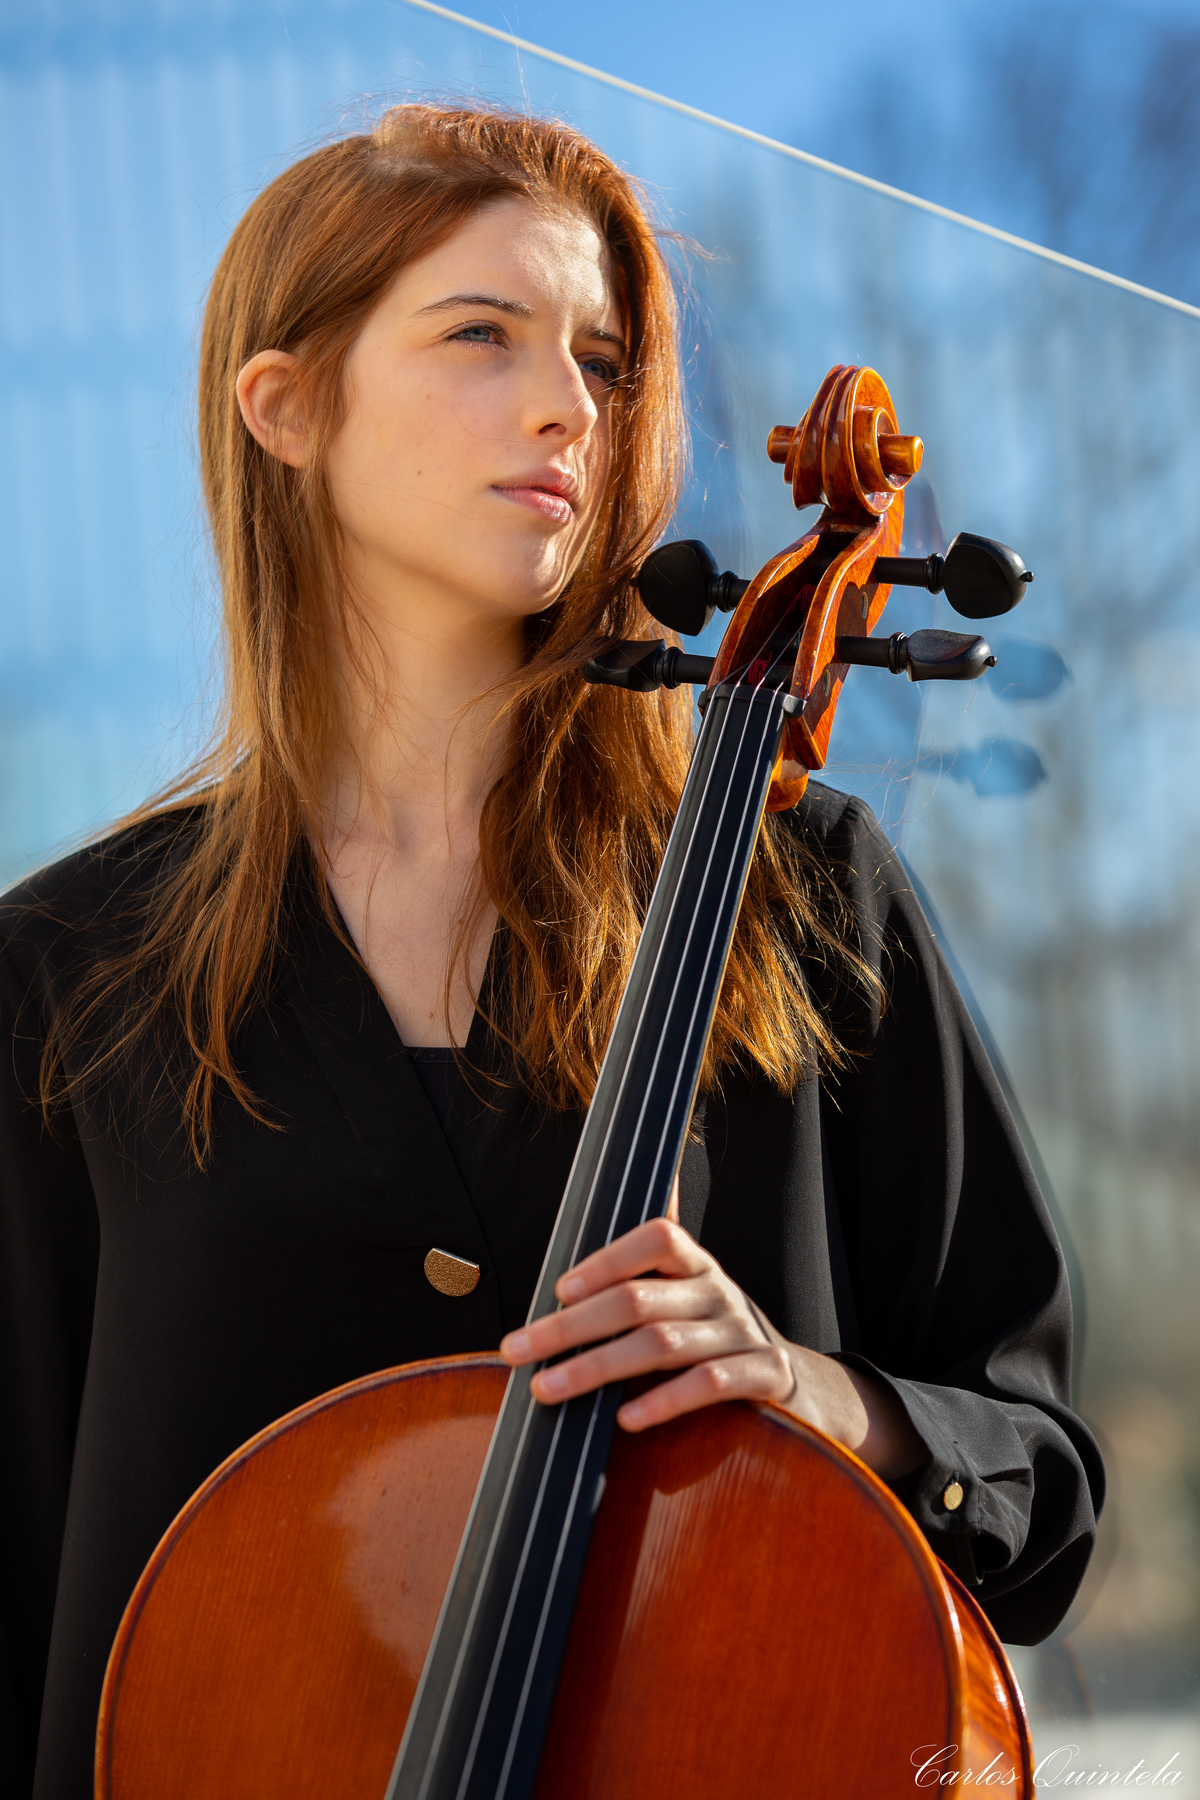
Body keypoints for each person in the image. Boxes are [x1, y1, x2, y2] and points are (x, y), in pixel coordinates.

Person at [0, 103, 1102, 1799]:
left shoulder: (798, 893)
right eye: (482, 335)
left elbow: (1037, 1476)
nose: (569, 407)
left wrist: (813, 1394)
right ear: (287, 406)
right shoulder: (67, 970)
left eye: (600, 357)